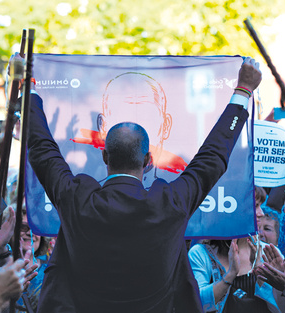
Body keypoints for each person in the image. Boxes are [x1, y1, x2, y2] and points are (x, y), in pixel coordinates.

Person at [27, 56, 262, 312]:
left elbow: (41, 148)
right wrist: (242, 91)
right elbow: (213, 157)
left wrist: (27, 87)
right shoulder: (169, 203)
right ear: (149, 160)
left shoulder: (77, 199)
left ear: (104, 155)